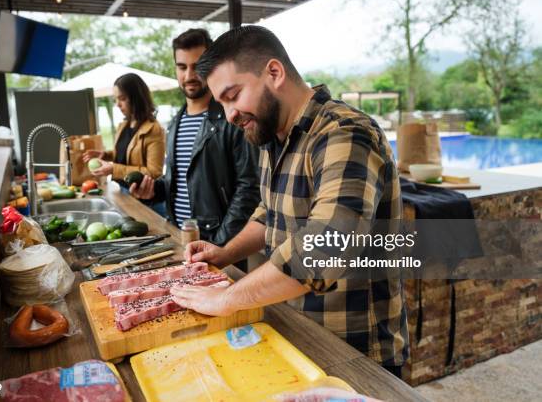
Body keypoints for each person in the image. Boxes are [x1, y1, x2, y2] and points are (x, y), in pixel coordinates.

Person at [169, 26, 409, 376]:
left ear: (274, 73)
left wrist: (225, 299)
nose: (231, 114)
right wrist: (225, 253)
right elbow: (269, 213)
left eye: (233, 95)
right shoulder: (271, 135)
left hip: (355, 351)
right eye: (222, 103)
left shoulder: (344, 132)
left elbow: (327, 244)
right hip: (297, 335)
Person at [130, 28, 260, 247]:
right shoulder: (174, 122)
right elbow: (180, 180)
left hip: (217, 243)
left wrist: (220, 244)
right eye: (182, 67)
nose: (189, 75)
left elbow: (249, 188)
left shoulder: (233, 118)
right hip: (177, 237)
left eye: (197, 65)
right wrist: (153, 190)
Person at [83, 73, 165, 185]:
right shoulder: (123, 125)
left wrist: (113, 169)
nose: (117, 104)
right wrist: (106, 155)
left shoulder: (154, 129)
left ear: (137, 98)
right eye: (116, 99)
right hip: (120, 190)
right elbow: (128, 153)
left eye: (122, 98)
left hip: (142, 199)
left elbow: (154, 172)